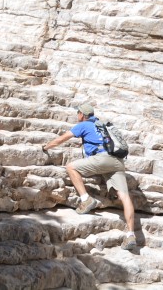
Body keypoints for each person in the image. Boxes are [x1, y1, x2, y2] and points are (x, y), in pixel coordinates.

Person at [43, 101, 137, 249]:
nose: (77, 116)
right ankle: (130, 234)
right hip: (118, 161)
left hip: (102, 159)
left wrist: (45, 147)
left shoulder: (83, 125)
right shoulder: (102, 125)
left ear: (82, 115)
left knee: (71, 167)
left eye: (78, 113)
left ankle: (86, 199)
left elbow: (61, 139)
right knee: (125, 196)